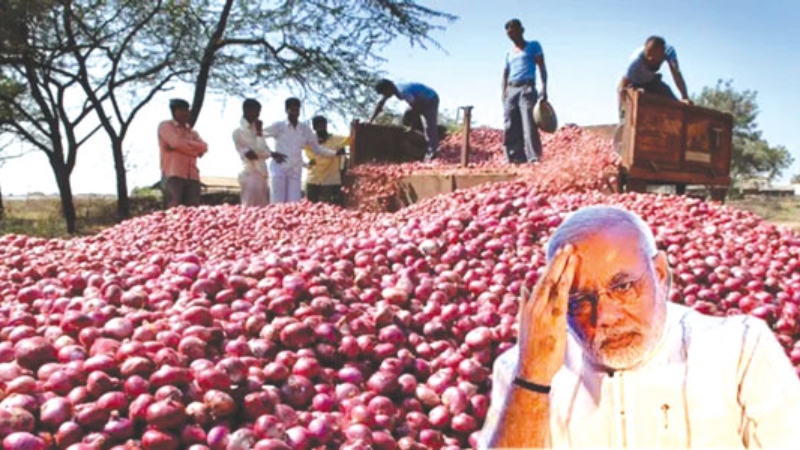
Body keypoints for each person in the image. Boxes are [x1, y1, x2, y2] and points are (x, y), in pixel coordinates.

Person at [480, 205, 800, 449]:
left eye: (623, 287)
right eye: (579, 299)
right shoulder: (521, 371)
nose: (604, 316)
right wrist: (533, 379)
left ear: (660, 273)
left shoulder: (741, 348)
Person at [263, 97, 344, 204]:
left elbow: (317, 148)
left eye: (297, 110)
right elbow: (259, 134)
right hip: (280, 167)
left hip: (295, 169)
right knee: (277, 202)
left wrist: (334, 153)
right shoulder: (279, 126)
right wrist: (271, 153)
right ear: (286, 110)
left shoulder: (304, 129)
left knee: (294, 203)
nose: (295, 113)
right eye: (292, 110)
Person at [502, 18, 547, 164]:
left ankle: (534, 157)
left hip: (527, 88)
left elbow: (542, 67)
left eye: (514, 32)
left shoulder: (533, 46)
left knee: (528, 123)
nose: (512, 36)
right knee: (510, 124)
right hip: (511, 88)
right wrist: (504, 92)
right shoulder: (509, 53)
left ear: (521, 30)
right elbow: (505, 73)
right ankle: (515, 157)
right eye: (509, 34)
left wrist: (544, 88)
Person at [368, 79, 439, 162]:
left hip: (430, 99)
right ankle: (421, 138)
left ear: (388, 89)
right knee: (407, 115)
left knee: (429, 126)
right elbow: (380, 104)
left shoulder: (403, 91)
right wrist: (370, 120)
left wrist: (412, 128)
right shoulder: (392, 90)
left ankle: (432, 153)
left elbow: (416, 109)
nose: (384, 95)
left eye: (384, 93)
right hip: (418, 100)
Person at [157, 98, 208, 208]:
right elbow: (175, 143)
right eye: (181, 110)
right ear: (174, 111)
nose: (185, 113)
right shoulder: (166, 126)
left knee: (192, 212)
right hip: (173, 174)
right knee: (173, 210)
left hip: (192, 176)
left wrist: (183, 147)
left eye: (186, 110)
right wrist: (194, 151)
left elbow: (204, 147)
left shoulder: (192, 131)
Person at [619, 36, 691, 107]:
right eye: (653, 61)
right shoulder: (635, 62)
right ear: (647, 57)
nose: (658, 63)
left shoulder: (668, 51)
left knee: (671, 100)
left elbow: (676, 74)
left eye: (659, 60)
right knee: (639, 96)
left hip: (651, 81)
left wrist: (685, 97)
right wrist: (623, 110)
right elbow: (622, 87)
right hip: (634, 84)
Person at [304, 116, 350, 205]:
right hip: (313, 180)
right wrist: (335, 153)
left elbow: (351, 139)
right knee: (311, 208)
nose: (321, 128)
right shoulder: (309, 142)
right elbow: (317, 158)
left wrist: (356, 128)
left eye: (323, 125)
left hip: (331, 181)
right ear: (314, 128)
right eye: (318, 126)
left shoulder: (336, 139)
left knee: (331, 208)